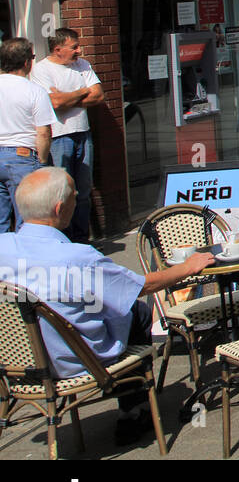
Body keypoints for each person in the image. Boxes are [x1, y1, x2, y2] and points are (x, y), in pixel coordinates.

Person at [0, 167, 216, 443]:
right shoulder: (77, 257)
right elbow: (141, 286)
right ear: (59, 208)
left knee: (90, 303)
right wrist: (187, 267)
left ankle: (131, 403)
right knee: (134, 310)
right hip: (73, 362)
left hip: (18, 367)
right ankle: (133, 410)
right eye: (74, 198)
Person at [30, 28, 103, 242]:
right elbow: (54, 103)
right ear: (57, 49)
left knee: (82, 190)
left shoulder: (83, 65)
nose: (79, 50)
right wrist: (82, 91)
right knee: (62, 191)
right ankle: (65, 240)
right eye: (74, 47)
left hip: (83, 133)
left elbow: (98, 96)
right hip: (59, 136)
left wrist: (66, 97)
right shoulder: (42, 70)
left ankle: (82, 240)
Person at [0, 38, 56, 234]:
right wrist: (41, 163)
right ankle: (26, 262)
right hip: (21, 156)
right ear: (26, 62)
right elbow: (43, 132)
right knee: (28, 219)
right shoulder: (34, 90)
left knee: (0, 221)